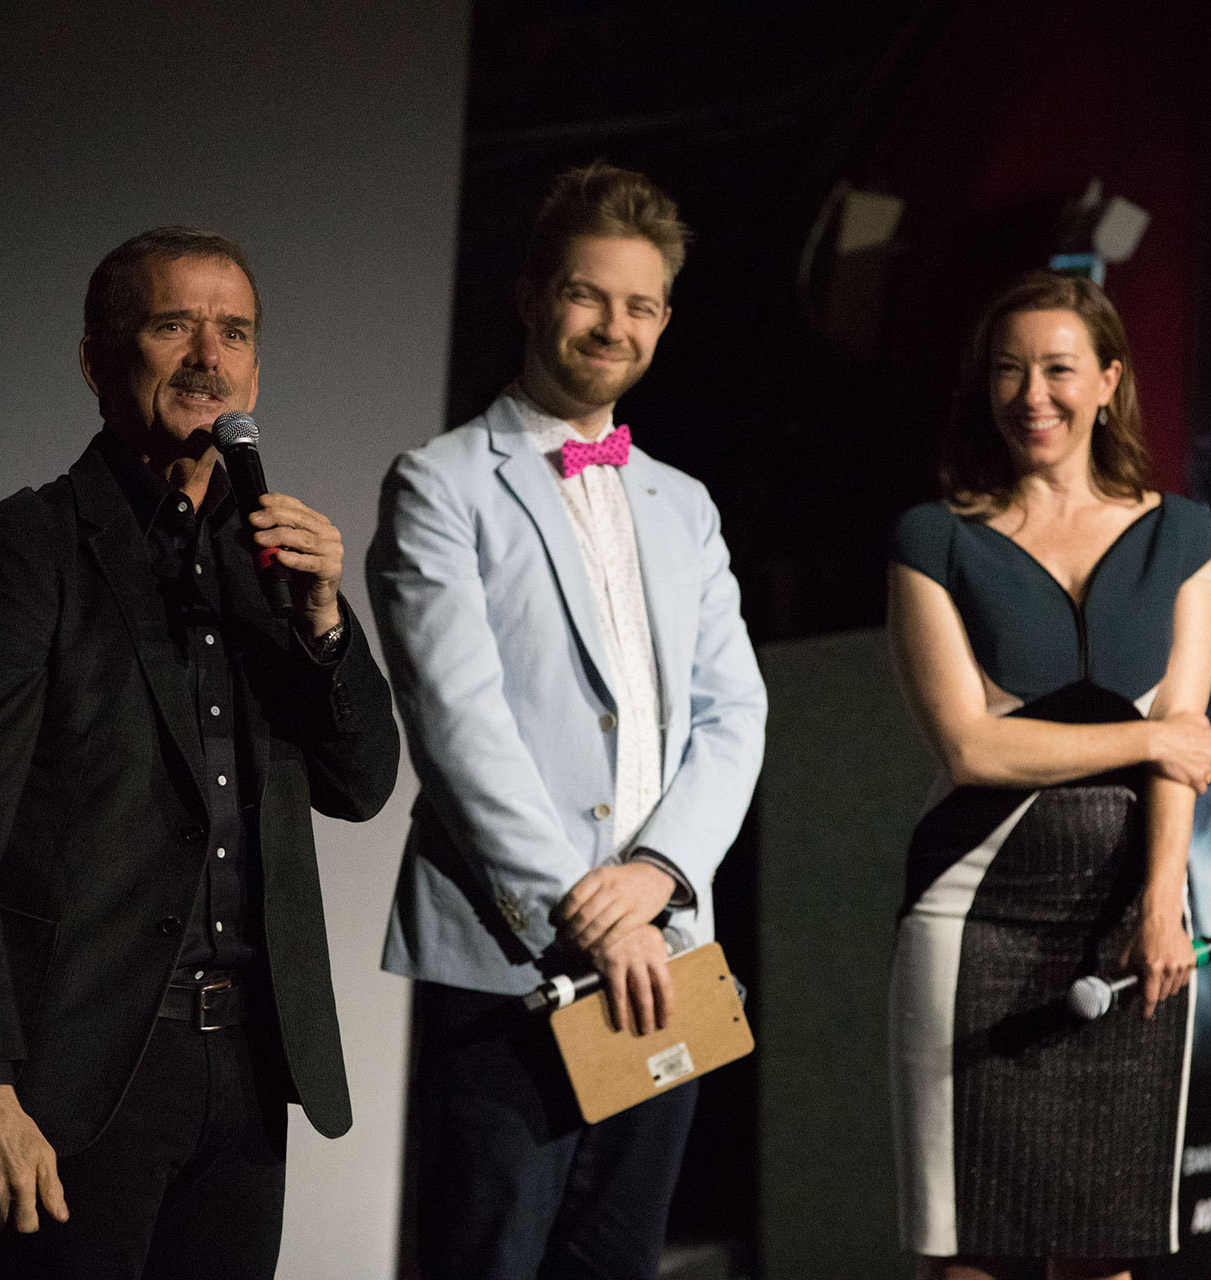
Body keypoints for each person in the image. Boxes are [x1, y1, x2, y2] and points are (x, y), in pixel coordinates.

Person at [0, 226, 400, 1279]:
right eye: (175, 325)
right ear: (97, 358)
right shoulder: (20, 554)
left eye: (235, 332)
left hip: (253, 1067)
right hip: (81, 1074)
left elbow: (362, 784)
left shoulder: (268, 560)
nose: (208, 356)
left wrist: (325, 623)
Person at [366, 162, 767, 1280]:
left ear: (666, 322)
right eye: (590, 295)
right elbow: (459, 727)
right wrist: (592, 912)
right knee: (488, 1257)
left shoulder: (684, 503)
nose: (614, 324)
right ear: (534, 295)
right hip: (514, 955)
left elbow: (737, 711)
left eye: (640, 305)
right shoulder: (440, 484)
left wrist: (662, 874)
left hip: (668, 951)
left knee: (616, 1262)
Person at [884, 270, 1211, 1280]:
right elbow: (972, 748)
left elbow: (1188, 741)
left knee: (1104, 1248)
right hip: (970, 912)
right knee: (972, 1251)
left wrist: (1164, 906)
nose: (1034, 394)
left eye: (1060, 368)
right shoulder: (933, 537)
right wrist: (1149, 738)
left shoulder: (1183, 534)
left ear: (1108, 380)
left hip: (1134, 914)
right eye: (1009, 371)